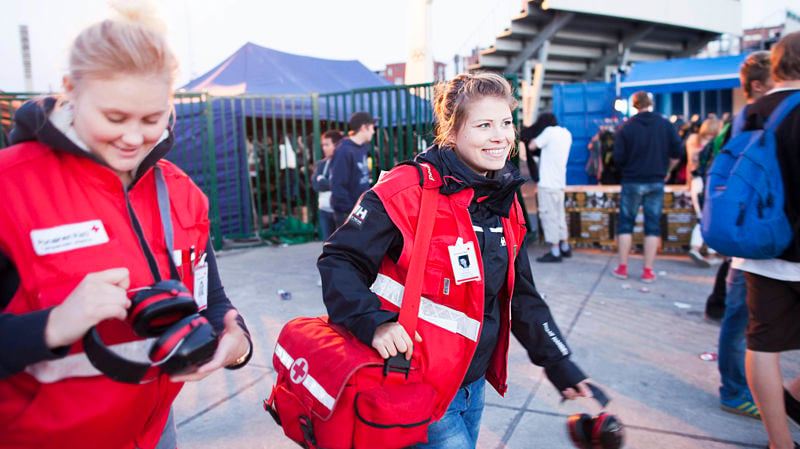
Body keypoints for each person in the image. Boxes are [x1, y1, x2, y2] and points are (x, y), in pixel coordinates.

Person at [0, 4, 252, 449]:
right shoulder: (10, 187)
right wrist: (54, 325)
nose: (134, 138)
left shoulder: (182, 193)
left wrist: (238, 341)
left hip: (155, 433)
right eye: (115, 118)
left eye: (153, 119)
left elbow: (210, 298)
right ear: (69, 90)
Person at [318, 72, 592, 449]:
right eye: (484, 125)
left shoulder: (505, 200)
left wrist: (559, 362)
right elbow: (338, 260)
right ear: (452, 130)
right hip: (415, 385)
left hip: (472, 386)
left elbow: (520, 294)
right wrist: (374, 324)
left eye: (506, 123)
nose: (501, 137)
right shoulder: (405, 191)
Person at [734, 32, 800, 449]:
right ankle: (792, 395)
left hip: (763, 249)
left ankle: (779, 441)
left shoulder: (756, 111)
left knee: (762, 344)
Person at [714, 50, 774, 421]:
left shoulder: (752, 120)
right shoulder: (752, 120)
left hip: (752, 239)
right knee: (739, 320)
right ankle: (734, 389)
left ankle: (747, 387)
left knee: (746, 321)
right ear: (758, 84)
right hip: (750, 241)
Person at [611, 91, 682, 283]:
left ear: (634, 105)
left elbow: (617, 159)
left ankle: (623, 267)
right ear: (650, 103)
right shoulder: (665, 124)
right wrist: (668, 170)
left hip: (632, 180)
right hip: (656, 180)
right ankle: (647, 271)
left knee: (626, 224)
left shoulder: (626, 127)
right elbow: (678, 151)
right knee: (652, 226)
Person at [523, 113, 573, 263]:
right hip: (559, 183)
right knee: (559, 215)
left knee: (548, 215)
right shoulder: (566, 134)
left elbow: (532, 145)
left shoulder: (549, 132)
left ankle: (555, 251)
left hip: (547, 184)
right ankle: (565, 246)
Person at [685, 117, 723, 267]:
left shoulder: (693, 140)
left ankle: (700, 249)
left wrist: (689, 183)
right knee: (709, 217)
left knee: (702, 217)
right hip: (709, 183)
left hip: (696, 181)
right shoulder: (716, 144)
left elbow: (690, 163)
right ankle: (707, 251)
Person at [329, 111, 376, 228]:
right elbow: (338, 185)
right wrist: (350, 211)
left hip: (360, 209)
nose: (373, 131)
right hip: (349, 212)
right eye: (371, 128)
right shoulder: (344, 150)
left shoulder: (362, 147)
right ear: (363, 127)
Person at [311, 129, 343, 241]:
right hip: (324, 210)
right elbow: (315, 185)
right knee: (327, 244)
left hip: (340, 210)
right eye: (323, 145)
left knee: (343, 244)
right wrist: (330, 183)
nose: (324, 148)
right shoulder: (322, 163)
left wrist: (324, 181)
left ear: (336, 145)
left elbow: (341, 185)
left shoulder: (344, 163)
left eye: (327, 145)